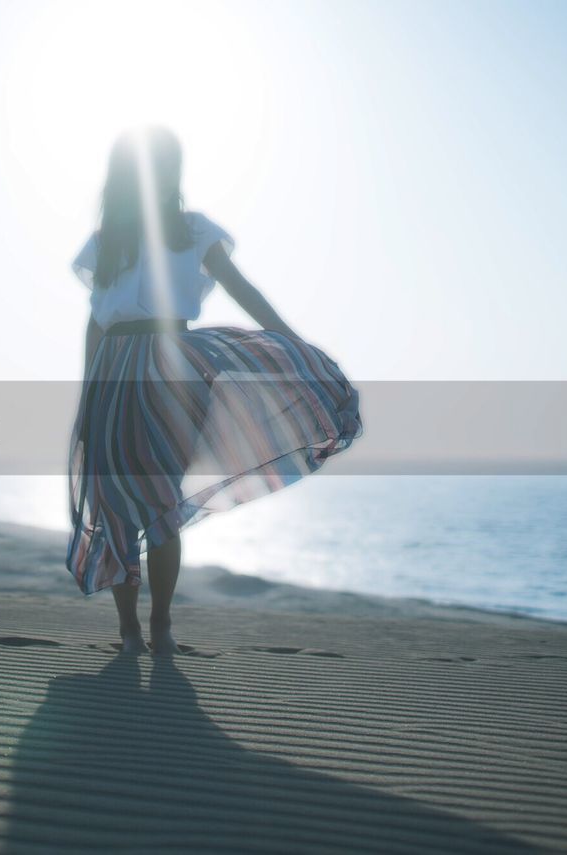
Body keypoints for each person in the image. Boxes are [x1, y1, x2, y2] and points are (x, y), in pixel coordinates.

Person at [65, 125, 362, 655]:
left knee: (159, 501)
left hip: (174, 367)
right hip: (114, 373)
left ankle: (159, 626)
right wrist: (89, 391)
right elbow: (96, 323)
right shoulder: (106, 242)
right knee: (115, 502)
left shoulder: (193, 230)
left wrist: (290, 340)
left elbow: (240, 288)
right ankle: (128, 629)